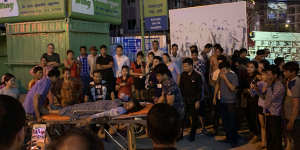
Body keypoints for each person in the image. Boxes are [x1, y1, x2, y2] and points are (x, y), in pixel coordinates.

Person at [213, 62, 239, 147]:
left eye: (223, 70)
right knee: (225, 121)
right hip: (223, 101)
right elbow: (217, 84)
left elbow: (233, 88)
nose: (222, 72)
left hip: (231, 101)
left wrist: (225, 78)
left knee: (232, 122)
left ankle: (234, 140)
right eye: (221, 70)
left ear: (228, 69)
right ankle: (228, 137)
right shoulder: (221, 74)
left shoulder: (233, 75)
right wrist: (214, 96)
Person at [180, 58, 205, 142]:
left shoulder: (197, 76)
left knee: (194, 118)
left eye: (186, 66)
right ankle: (180, 134)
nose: (184, 68)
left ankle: (192, 135)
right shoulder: (183, 75)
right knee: (182, 118)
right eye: (183, 66)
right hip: (184, 100)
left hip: (194, 100)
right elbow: (181, 87)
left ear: (191, 66)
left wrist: (198, 101)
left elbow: (199, 90)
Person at [262, 65, 285, 150]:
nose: (267, 76)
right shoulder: (271, 85)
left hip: (275, 115)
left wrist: (267, 84)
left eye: (268, 74)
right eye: (266, 74)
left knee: (275, 138)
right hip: (269, 113)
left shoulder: (279, 86)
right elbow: (264, 97)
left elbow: (269, 100)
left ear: (275, 75)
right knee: (270, 137)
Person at [240, 61, 259, 144]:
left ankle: (257, 135)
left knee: (254, 118)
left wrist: (250, 90)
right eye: (248, 67)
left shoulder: (257, 77)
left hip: (255, 101)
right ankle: (252, 132)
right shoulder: (245, 76)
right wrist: (245, 90)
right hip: (247, 100)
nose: (249, 69)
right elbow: (241, 87)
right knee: (248, 117)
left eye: (251, 67)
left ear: (255, 68)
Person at [283, 61, 300, 150]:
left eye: (286, 71)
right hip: (288, 114)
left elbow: (296, 104)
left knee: (297, 140)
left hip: (294, 118)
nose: (284, 73)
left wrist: (292, 121)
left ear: (293, 72)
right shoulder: (289, 80)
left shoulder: (296, 82)